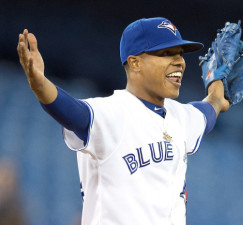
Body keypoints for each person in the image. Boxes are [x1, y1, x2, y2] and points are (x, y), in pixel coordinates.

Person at [17, 17, 229, 225]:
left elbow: (211, 108)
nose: (179, 62)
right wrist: (40, 84)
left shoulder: (182, 117)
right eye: (166, 53)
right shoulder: (111, 113)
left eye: (180, 54)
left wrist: (216, 84)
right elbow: (71, 112)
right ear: (135, 63)